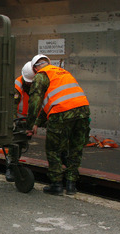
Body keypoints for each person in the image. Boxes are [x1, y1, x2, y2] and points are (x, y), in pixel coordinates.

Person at [25, 54, 90, 195]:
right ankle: (71, 185)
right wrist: (37, 123)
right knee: (75, 148)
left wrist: (29, 125)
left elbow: (35, 102)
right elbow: (50, 104)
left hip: (62, 113)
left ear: (35, 69)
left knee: (53, 149)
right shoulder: (62, 73)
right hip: (83, 111)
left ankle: (57, 185)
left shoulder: (41, 75)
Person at [5, 62, 38, 182]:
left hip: (28, 119)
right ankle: (10, 167)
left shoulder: (38, 84)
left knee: (22, 143)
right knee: (16, 143)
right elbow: (12, 106)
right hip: (18, 119)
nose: (30, 84)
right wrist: (13, 122)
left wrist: (35, 123)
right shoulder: (17, 86)